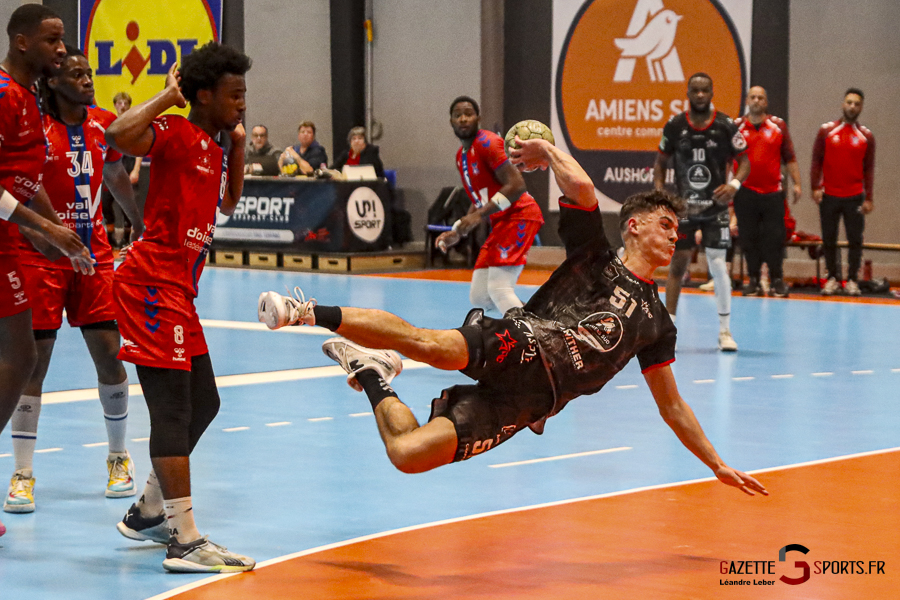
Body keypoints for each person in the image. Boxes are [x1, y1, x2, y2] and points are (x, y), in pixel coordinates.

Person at [256, 135, 768, 500]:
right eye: (666, 225)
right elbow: (584, 190)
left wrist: (716, 463)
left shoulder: (659, 322)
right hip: (523, 340)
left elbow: (673, 407)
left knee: (409, 455)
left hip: (531, 402)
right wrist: (546, 151)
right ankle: (307, 311)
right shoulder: (596, 256)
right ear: (633, 227)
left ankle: (372, 373)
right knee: (432, 347)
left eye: (678, 229)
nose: (676, 235)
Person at [104, 42, 255, 573]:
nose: (242, 104)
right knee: (172, 410)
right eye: (233, 95)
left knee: (205, 402)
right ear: (205, 95)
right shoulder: (173, 131)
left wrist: (236, 146)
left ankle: (148, 510)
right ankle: (184, 540)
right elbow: (117, 135)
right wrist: (169, 95)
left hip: (178, 291)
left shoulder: (212, 146)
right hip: (149, 284)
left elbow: (230, 202)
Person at [3, 45, 145, 515]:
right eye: (78, 74)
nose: (88, 79)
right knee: (34, 364)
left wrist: (138, 222)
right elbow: (24, 186)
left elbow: (117, 174)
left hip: (94, 258)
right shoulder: (37, 128)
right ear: (55, 82)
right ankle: (22, 473)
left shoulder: (104, 123)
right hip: (41, 258)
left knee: (110, 355)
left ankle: (118, 457)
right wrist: (47, 236)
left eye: (90, 73)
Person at [0, 3, 95, 538]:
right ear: (21, 42)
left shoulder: (31, 99)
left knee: (20, 354)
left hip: (9, 241)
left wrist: (50, 231)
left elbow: (22, 178)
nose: (62, 49)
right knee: (20, 354)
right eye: (53, 40)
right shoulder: (1, 95)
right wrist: (47, 229)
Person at [653, 73, 749, 351]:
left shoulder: (726, 125)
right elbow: (659, 164)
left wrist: (733, 184)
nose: (699, 95)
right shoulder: (674, 126)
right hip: (684, 208)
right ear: (687, 93)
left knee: (718, 265)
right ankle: (667, 331)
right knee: (678, 265)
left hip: (715, 207)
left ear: (712, 92)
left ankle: (725, 331)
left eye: (704, 90)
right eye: (694, 91)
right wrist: (660, 193)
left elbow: (744, 163)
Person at [436, 96, 544, 316]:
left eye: (468, 114)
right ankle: (529, 314)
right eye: (458, 115)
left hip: (520, 214)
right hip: (501, 221)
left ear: (478, 118)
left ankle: (533, 336)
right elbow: (479, 201)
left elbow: (517, 185)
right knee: (480, 297)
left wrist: (478, 217)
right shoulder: (461, 156)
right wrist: (458, 231)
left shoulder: (489, 143)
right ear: (451, 121)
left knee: (499, 288)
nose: (463, 119)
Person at [733, 86, 802, 298]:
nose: (756, 101)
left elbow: (789, 157)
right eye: (753, 97)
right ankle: (753, 280)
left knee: (774, 238)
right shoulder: (736, 126)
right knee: (749, 238)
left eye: (760, 98)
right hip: (745, 192)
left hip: (773, 193)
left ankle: (777, 280)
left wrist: (797, 184)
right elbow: (727, 160)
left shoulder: (778, 126)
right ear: (747, 100)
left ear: (766, 102)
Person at [810, 88, 875, 296]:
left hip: (855, 196)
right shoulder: (826, 131)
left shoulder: (866, 136)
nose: (852, 106)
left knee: (855, 240)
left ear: (861, 107)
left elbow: (869, 168)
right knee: (829, 238)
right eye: (849, 102)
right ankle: (832, 278)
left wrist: (869, 197)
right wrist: (815, 187)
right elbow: (816, 160)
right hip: (829, 195)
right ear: (842, 104)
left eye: (857, 103)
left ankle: (853, 280)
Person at [100, 91, 141, 247]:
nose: (122, 106)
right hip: (111, 167)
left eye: (125, 103)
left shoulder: (133, 124)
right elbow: (103, 149)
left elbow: (139, 149)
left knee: (127, 206)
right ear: (115, 105)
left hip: (127, 165)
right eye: (119, 103)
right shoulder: (109, 123)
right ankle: (110, 237)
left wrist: (136, 170)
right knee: (106, 205)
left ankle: (126, 238)